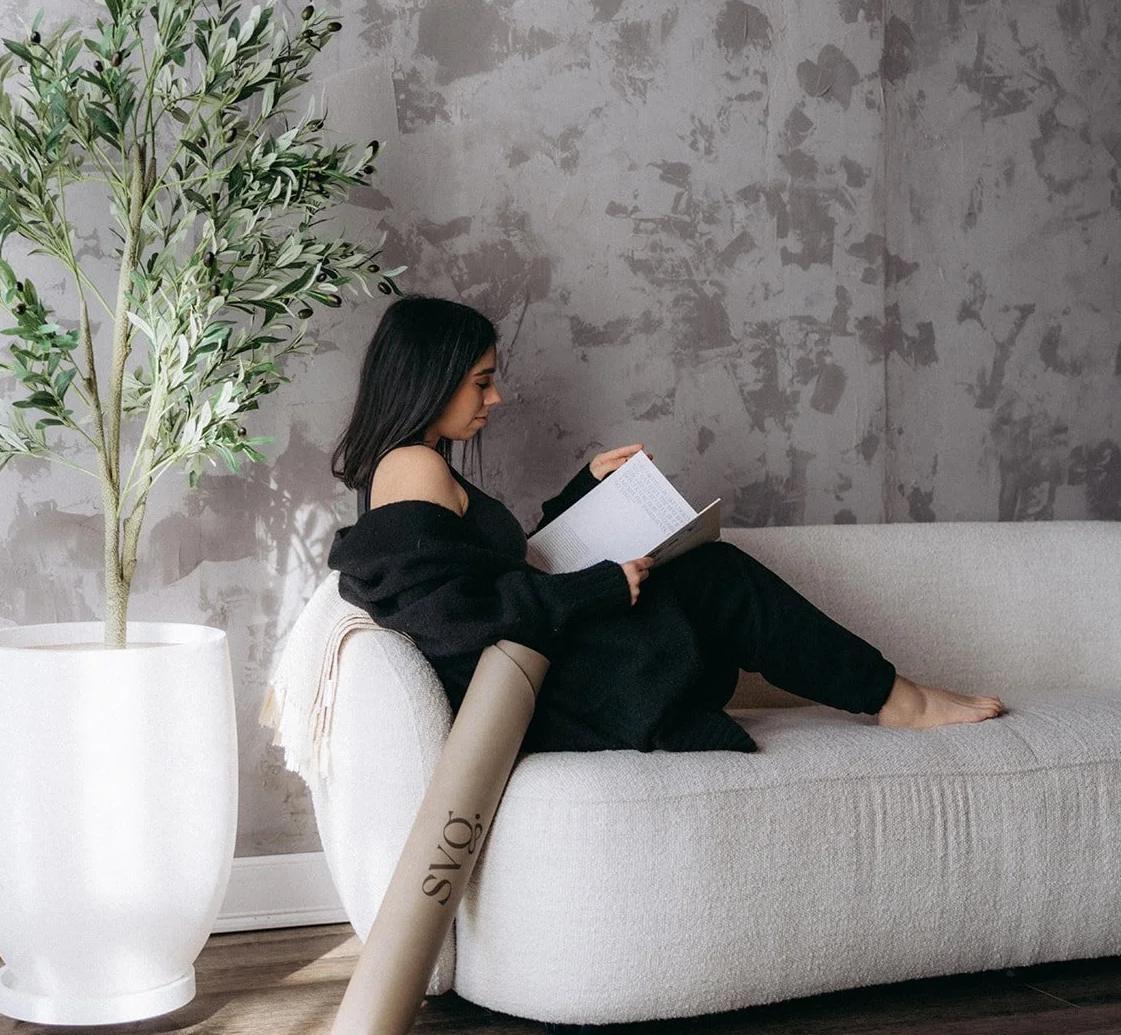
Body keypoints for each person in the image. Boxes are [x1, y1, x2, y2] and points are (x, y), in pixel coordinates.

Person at [328, 295, 1005, 754]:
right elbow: (452, 620)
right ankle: (897, 700)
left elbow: (495, 573)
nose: (495, 398)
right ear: (430, 378)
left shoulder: (405, 466)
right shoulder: (412, 467)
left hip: (539, 678)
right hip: (538, 697)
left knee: (709, 580)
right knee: (716, 576)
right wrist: (598, 589)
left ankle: (890, 696)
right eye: (480, 381)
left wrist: (581, 493)